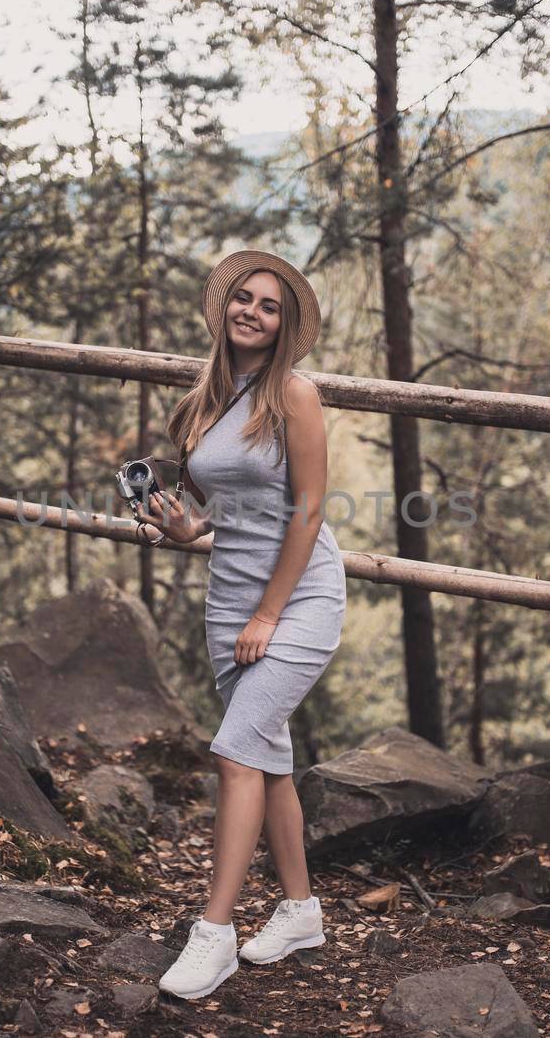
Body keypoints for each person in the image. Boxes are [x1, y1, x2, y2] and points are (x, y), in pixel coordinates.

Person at [132, 249, 347, 1001]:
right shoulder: (204, 403)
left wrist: (269, 613)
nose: (252, 311)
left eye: (269, 305)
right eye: (244, 300)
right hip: (228, 598)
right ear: (226, 310)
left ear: (284, 326)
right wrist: (183, 531)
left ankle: (213, 935)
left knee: (233, 755)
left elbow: (308, 511)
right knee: (268, 756)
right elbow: (213, 515)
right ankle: (300, 911)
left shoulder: (295, 394)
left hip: (299, 599)